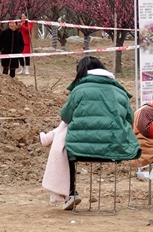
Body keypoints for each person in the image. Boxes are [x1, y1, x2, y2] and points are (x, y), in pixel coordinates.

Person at [59, 57, 142, 210]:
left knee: (62, 147)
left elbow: (65, 116)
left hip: (79, 151)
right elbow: (130, 120)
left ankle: (70, 192)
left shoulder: (78, 90)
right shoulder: (120, 92)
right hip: (115, 149)